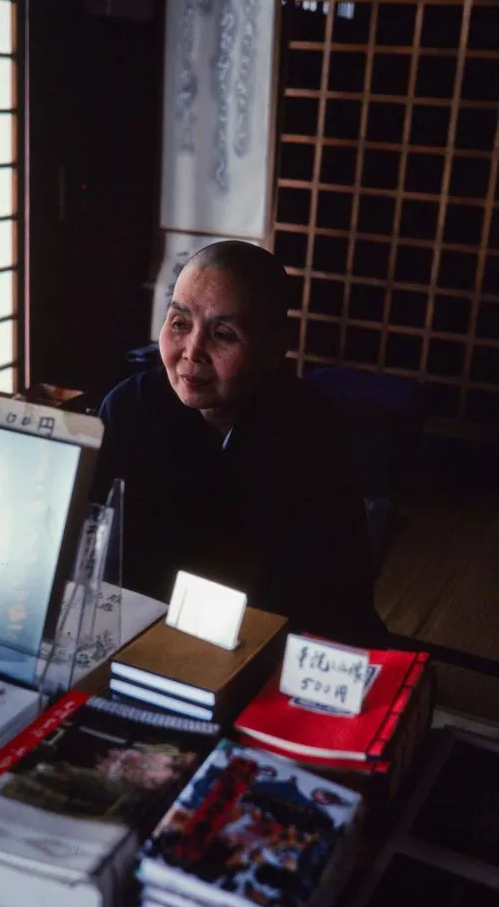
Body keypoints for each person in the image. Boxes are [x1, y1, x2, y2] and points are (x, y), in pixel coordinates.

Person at [94, 240, 387, 648]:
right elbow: (99, 554)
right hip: (146, 632)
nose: (191, 353)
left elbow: (334, 584)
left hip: (267, 639)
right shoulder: (129, 408)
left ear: (273, 348)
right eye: (179, 324)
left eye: (222, 334)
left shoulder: (310, 427)